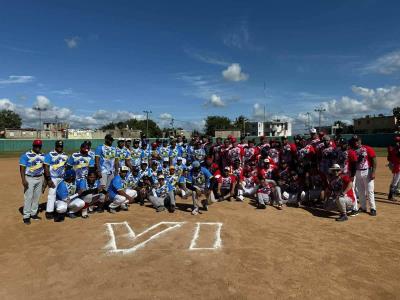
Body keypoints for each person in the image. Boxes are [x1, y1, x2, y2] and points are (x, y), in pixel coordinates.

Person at [19, 139, 45, 224]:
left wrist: (44, 181)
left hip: (39, 178)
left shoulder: (43, 155)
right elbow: (22, 168)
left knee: (36, 197)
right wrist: (23, 179)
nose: (37, 147)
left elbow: (44, 168)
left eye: (39, 146)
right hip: (29, 178)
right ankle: (26, 216)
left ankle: (33, 214)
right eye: (36, 146)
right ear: (33, 146)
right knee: (28, 197)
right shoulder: (26, 155)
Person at [351, 135, 377, 216]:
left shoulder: (367, 148)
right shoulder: (352, 150)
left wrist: (373, 172)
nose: (356, 142)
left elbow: (374, 160)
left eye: (357, 140)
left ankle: (373, 208)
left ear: (360, 140)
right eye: (354, 141)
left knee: (370, 191)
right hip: (357, 172)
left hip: (367, 172)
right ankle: (363, 207)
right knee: (360, 191)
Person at [43, 140, 69, 220]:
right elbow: (46, 167)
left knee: (63, 193)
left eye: (61, 146)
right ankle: (49, 211)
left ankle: (61, 208)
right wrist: (48, 179)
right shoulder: (50, 154)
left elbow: (66, 166)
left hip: (61, 178)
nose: (59, 148)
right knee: (52, 194)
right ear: (55, 146)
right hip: (53, 178)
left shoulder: (65, 155)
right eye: (58, 146)